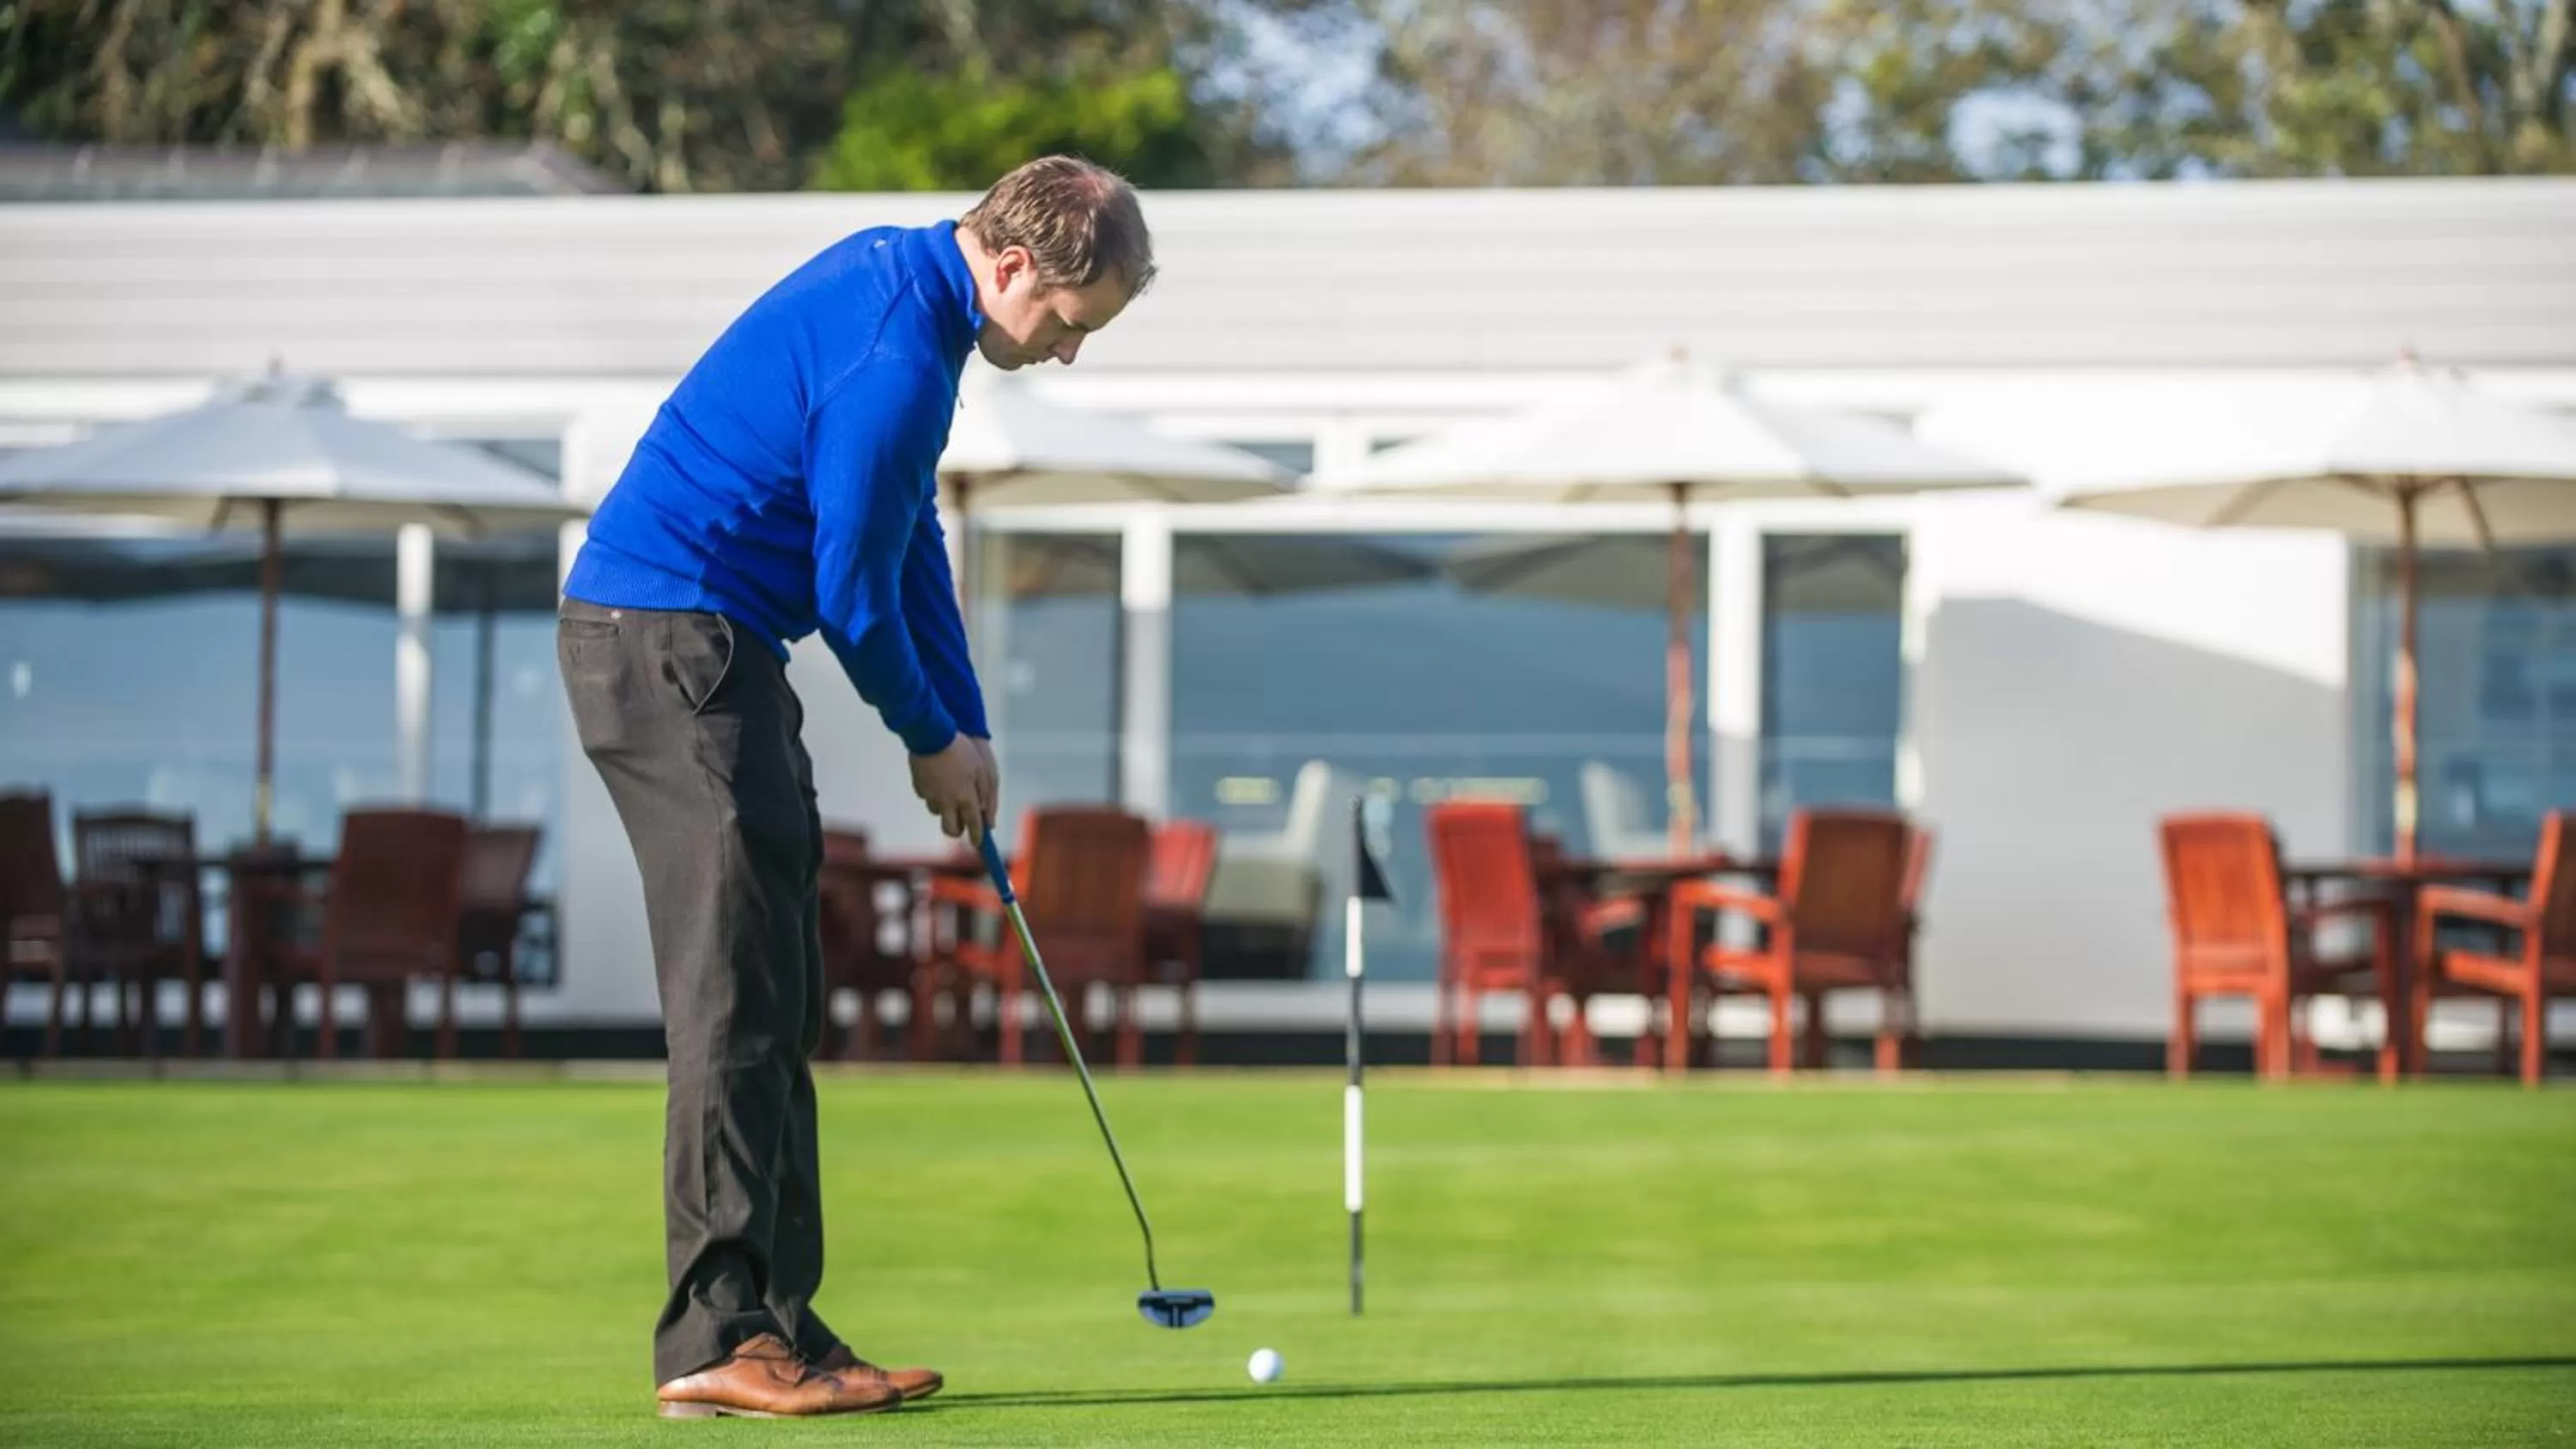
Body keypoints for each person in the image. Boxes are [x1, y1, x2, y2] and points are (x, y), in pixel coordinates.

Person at [553, 155, 1154, 1420]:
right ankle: (715, 1337)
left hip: (709, 650)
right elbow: (853, 592)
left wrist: (967, 724)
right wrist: (923, 734)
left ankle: (777, 1322)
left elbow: (906, 543)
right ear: (1010, 267)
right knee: (731, 995)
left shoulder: (914, 299)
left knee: (775, 987)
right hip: (668, 645)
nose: (1064, 355)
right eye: (1065, 322)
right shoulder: (895, 357)